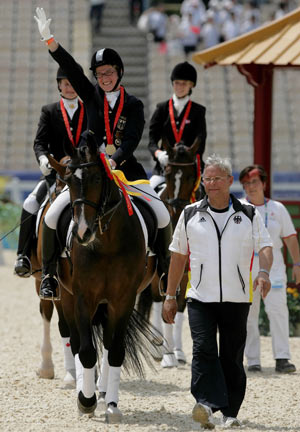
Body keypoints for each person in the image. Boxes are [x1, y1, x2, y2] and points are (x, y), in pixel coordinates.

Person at [34, 7, 172, 300]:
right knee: (51, 215)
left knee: (160, 214)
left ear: (119, 72)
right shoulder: (91, 94)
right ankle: (48, 276)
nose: (104, 77)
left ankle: (163, 272)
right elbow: (71, 67)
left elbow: (133, 139)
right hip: (89, 169)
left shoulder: (133, 104)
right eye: (99, 73)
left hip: (125, 169)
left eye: (109, 72)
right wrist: (51, 42)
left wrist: (115, 158)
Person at [163, 154, 273, 429]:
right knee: (202, 349)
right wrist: (169, 295)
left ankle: (230, 412)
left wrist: (264, 272)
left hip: (237, 298)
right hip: (200, 296)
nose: (210, 184)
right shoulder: (190, 213)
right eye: (207, 178)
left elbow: (266, 247)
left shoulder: (249, 213)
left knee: (232, 357)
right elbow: (177, 256)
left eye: (216, 179)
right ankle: (205, 403)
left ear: (229, 181)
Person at [14, 66, 87, 278]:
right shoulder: (49, 111)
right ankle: (23, 255)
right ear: (59, 85)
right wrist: (44, 159)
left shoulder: (89, 110)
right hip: (56, 174)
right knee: (30, 203)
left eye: (73, 83)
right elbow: (39, 143)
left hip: (83, 175)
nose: (70, 87)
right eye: (66, 83)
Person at [239, 164, 300, 373]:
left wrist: (297, 264)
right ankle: (253, 359)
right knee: (249, 315)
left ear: (264, 183)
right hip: (246, 268)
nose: (250, 187)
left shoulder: (278, 208)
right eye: (246, 183)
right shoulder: (238, 207)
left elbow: (290, 238)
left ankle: (282, 358)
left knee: (278, 311)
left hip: (274, 268)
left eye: (254, 182)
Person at [148, 61, 206, 190]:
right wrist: (159, 154)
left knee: (207, 195)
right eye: (177, 83)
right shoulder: (161, 109)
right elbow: (152, 141)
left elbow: (200, 142)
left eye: (184, 83)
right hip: (165, 168)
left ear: (191, 85)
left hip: (190, 168)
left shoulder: (198, 111)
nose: (180, 87)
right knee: (150, 193)